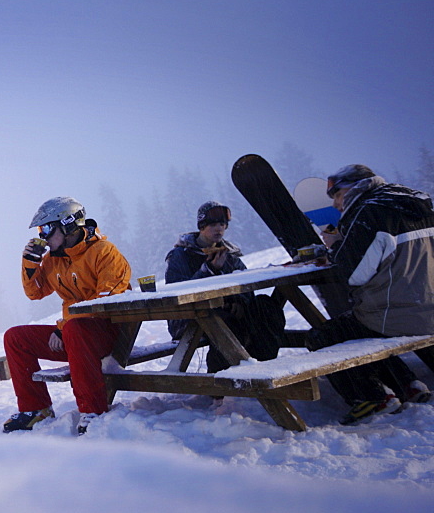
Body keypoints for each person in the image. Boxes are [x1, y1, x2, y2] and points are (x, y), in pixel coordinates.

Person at [308, 164, 434, 424]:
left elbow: (353, 274)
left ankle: (371, 398)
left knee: (326, 336)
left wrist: (336, 246)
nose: (336, 205)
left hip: (398, 315)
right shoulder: (417, 202)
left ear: (351, 188)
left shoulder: (370, 213)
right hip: (429, 308)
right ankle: (407, 385)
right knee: (358, 328)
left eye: (337, 196)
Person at [2, 197, 132, 435]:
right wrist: (30, 263)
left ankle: (93, 410)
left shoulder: (104, 252)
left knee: (74, 329)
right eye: (41, 230)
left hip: (107, 333)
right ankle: (36, 409)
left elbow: (106, 303)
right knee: (15, 338)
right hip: (72, 334)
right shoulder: (54, 260)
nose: (43, 235)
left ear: (69, 224)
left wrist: (63, 327)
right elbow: (35, 292)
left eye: (47, 228)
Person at [164, 201, 285, 373]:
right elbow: (177, 294)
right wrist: (209, 269)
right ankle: (222, 378)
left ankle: (264, 368)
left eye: (222, 224)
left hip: (226, 311)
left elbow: (245, 283)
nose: (218, 229)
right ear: (201, 226)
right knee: (225, 321)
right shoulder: (181, 255)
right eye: (213, 224)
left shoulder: (228, 253)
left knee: (266, 307)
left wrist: (240, 303)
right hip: (188, 318)